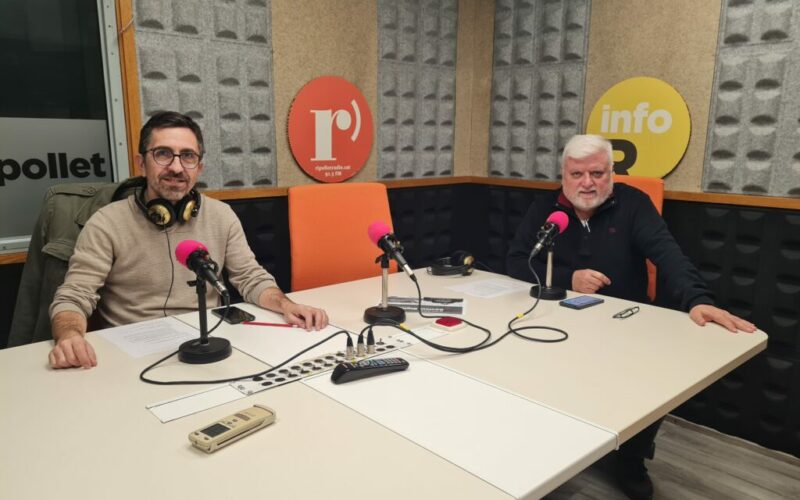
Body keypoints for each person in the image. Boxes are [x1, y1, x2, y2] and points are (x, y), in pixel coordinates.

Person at [506, 134, 756, 500]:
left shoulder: (633, 204)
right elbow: (516, 261)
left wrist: (697, 300)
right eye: (576, 174)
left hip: (626, 322)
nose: (587, 183)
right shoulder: (546, 208)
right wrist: (568, 279)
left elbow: (668, 255)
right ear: (563, 175)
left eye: (597, 173)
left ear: (611, 173)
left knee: (655, 381)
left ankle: (630, 459)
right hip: (559, 319)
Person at [48, 111, 329, 370]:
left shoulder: (221, 215)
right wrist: (69, 335)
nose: (176, 167)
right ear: (141, 164)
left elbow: (250, 277)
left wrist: (286, 305)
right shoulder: (106, 222)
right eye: (163, 154)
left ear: (199, 167)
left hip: (208, 340)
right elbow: (75, 295)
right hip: (135, 353)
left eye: (188, 156)